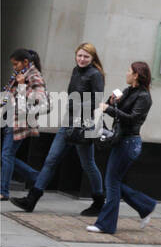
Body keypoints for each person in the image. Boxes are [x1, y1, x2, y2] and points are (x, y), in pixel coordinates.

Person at [14, 42, 106, 215]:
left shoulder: (95, 74)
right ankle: (31, 199)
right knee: (51, 160)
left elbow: (97, 101)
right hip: (67, 123)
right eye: (79, 55)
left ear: (93, 58)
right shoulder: (75, 70)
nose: (82, 59)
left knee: (88, 164)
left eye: (86, 56)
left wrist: (76, 104)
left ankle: (99, 202)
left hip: (84, 124)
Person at [88, 62, 157, 234]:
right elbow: (113, 110)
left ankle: (106, 224)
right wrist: (112, 102)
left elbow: (132, 119)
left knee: (111, 183)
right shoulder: (128, 91)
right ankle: (146, 205)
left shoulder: (144, 97)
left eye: (129, 71)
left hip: (129, 143)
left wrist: (110, 109)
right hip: (120, 141)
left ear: (136, 75)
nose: (126, 73)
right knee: (114, 181)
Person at [1, 49, 47, 201]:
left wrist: (21, 86)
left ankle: (3, 191)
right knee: (7, 155)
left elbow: (40, 98)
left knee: (7, 155)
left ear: (25, 62)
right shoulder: (20, 74)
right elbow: (9, 93)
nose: (14, 67)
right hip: (10, 117)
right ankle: (37, 178)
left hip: (21, 120)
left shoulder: (33, 76)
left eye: (16, 64)